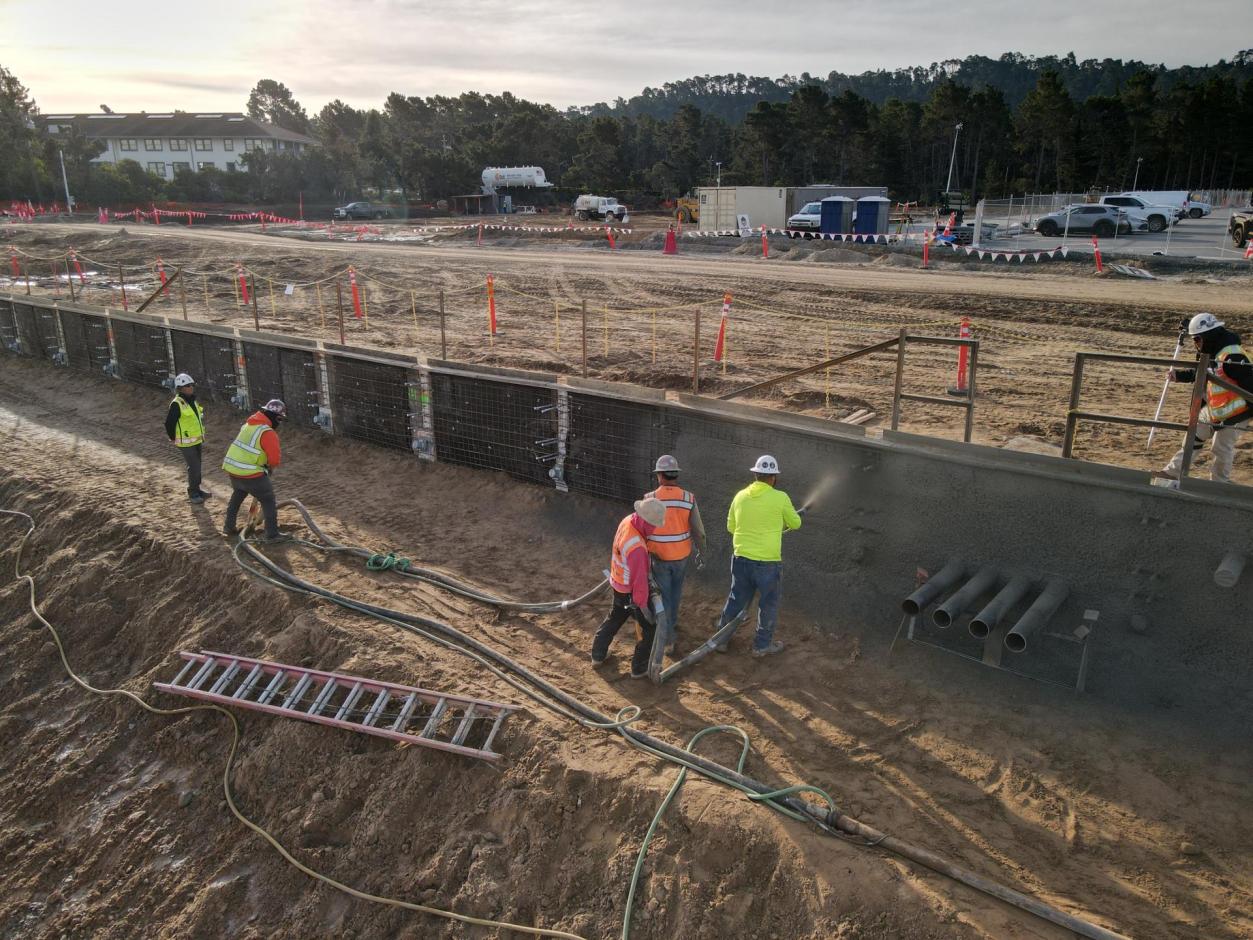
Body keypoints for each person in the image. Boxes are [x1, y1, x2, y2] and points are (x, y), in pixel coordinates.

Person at [714, 455, 802, 658]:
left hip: (741, 558)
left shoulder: (740, 496)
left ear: (755, 474)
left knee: (736, 599)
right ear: (774, 478)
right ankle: (761, 647)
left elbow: (731, 527)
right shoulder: (781, 498)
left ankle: (720, 640)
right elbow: (796, 523)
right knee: (768, 604)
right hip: (768, 563)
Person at [1159, 313, 1253, 484]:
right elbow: (1201, 373)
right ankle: (1171, 473)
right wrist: (1178, 376)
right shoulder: (1210, 351)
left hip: (1237, 412)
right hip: (1215, 410)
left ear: (1207, 337)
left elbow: (1251, 384)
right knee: (1192, 437)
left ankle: (1218, 484)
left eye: (1196, 339)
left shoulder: (1233, 356)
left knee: (1221, 448)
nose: (1195, 343)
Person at [591, 497, 667, 678]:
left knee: (615, 617)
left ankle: (597, 655)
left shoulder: (628, 521)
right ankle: (639, 668)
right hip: (630, 591)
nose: (655, 529)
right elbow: (639, 582)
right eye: (654, 525)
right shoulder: (637, 548)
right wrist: (643, 607)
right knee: (650, 629)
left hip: (617, 583)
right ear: (646, 522)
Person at [642, 455, 707, 657]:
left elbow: (641, 530)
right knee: (675, 593)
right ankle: (672, 623)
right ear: (676, 475)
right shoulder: (688, 498)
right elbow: (699, 531)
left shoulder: (649, 499)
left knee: (663, 598)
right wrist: (701, 551)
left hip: (659, 558)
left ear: (660, 475)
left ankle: (667, 639)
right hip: (681, 556)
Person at [222, 399, 290, 541]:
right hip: (251, 474)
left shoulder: (248, 425)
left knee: (238, 495)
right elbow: (274, 460)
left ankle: (228, 527)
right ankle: (272, 535)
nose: (279, 423)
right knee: (268, 499)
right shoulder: (267, 432)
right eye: (280, 419)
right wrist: (269, 468)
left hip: (234, 470)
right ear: (275, 417)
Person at [166, 373, 212, 504]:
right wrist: (172, 437)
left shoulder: (192, 401)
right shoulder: (177, 404)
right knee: (194, 467)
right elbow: (169, 423)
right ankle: (193, 493)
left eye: (192, 385)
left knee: (197, 466)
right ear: (180, 388)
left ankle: (197, 490)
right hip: (185, 442)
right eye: (187, 386)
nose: (191, 388)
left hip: (196, 440)